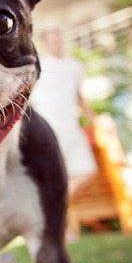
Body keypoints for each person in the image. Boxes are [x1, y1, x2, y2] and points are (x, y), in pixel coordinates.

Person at [32, 29, 98, 199]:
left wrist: (95, 120)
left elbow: (79, 97)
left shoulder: (75, 66)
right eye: (51, 40)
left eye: (57, 39)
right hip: (49, 128)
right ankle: (60, 215)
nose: (55, 43)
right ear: (45, 44)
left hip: (72, 127)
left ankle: (59, 205)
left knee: (87, 171)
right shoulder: (40, 65)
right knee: (56, 176)